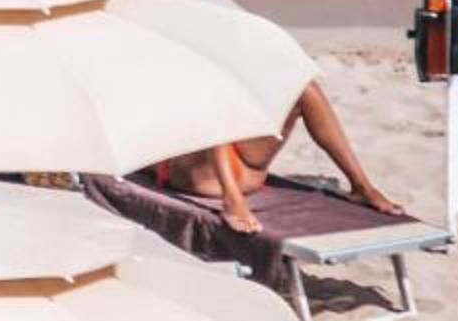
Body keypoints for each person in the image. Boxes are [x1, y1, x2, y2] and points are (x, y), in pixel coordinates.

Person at [150, 77, 408, 232]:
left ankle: (361, 186)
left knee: (305, 89)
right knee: (213, 99)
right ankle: (232, 199)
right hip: (205, 178)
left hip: (241, 168)